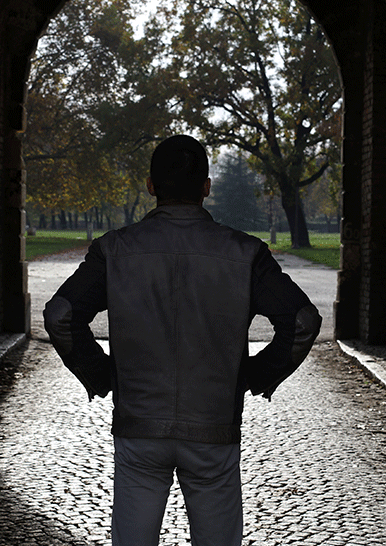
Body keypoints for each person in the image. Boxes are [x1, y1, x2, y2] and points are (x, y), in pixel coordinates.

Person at [43, 135, 321, 546]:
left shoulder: (115, 250)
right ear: (206, 187)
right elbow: (301, 321)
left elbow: (60, 315)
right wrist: (254, 374)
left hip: (139, 424)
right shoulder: (245, 252)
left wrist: (102, 374)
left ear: (151, 186)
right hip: (213, 425)